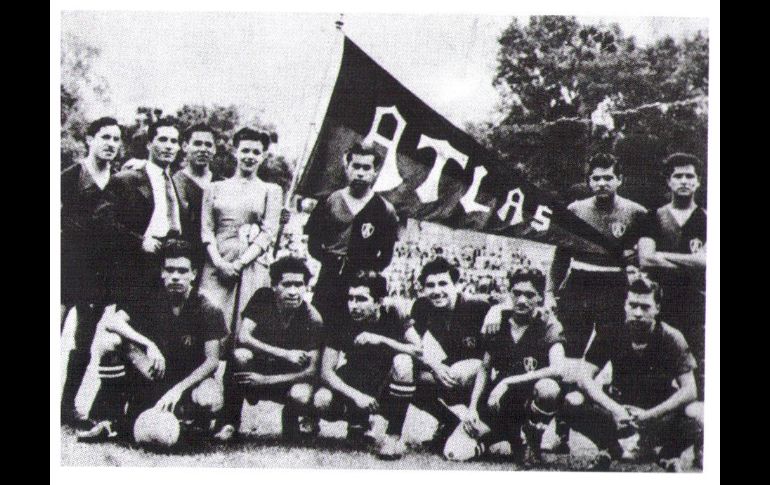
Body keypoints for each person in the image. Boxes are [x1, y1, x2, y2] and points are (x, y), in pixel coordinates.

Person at [78, 240, 227, 443]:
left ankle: (194, 426)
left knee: (211, 398)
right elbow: (111, 322)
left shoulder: (208, 308)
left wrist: (178, 390)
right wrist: (149, 344)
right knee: (110, 343)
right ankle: (109, 418)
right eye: (170, 269)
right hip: (155, 374)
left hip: (188, 381)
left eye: (182, 271)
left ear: (193, 274)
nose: (175, 276)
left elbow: (212, 362)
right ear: (162, 272)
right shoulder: (149, 297)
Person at [565, 276, 703, 471]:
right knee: (573, 401)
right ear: (625, 305)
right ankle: (610, 449)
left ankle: (666, 454)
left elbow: (690, 390)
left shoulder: (672, 337)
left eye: (645, 307)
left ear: (657, 308)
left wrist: (651, 415)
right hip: (619, 409)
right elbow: (584, 377)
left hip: (658, 413)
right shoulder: (610, 331)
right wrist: (614, 409)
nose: (638, 313)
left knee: (698, 413)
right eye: (633, 305)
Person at [312, 271, 422, 459]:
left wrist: (380, 340)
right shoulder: (341, 319)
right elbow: (326, 372)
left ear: (379, 301)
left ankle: (392, 437)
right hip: (358, 380)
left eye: (361, 299)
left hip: (387, 382)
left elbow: (418, 350)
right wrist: (357, 397)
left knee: (403, 362)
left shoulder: (394, 313)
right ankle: (358, 421)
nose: (353, 305)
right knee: (321, 400)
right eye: (351, 298)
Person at [464, 268, 567, 464]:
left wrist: (509, 381)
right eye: (517, 293)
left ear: (539, 298)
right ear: (509, 293)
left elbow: (558, 369)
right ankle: (507, 436)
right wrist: (472, 407)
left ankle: (531, 441)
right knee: (456, 452)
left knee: (548, 389)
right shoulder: (497, 322)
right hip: (501, 401)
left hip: (528, 400)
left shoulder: (548, 325)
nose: (521, 300)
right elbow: (485, 368)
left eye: (529, 295)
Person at [215, 256, 323, 442]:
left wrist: (265, 380)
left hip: (285, 379)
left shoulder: (313, 319)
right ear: (274, 285)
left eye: (299, 285)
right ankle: (229, 421)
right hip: (258, 368)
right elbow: (243, 336)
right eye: (287, 284)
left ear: (306, 287)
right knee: (240, 355)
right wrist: (284, 354)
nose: (293, 291)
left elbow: (312, 371)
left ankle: (291, 419)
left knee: (302, 394)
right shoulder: (262, 298)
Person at [60, 116, 122, 426]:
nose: (111, 144)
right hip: (64, 268)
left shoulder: (119, 183)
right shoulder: (67, 178)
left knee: (83, 341)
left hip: (98, 274)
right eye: (105, 137)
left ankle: (67, 406)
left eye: (116, 139)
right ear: (89, 140)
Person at [94, 118, 189, 312]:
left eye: (173, 142)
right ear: (149, 143)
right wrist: (139, 241)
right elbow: (101, 221)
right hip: (131, 265)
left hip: (166, 266)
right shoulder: (126, 179)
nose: (169, 146)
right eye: (163, 140)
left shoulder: (177, 183)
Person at [561, 153, 648, 359]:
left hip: (614, 283)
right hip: (579, 280)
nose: (602, 183)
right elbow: (561, 256)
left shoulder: (636, 212)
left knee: (613, 343)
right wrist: (549, 292)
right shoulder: (575, 210)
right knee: (572, 344)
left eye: (608, 178)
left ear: (619, 179)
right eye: (596, 178)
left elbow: (645, 255)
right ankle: (568, 389)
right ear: (589, 182)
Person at [304, 142, 399, 330]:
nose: (360, 172)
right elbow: (313, 243)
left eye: (366, 167)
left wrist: (368, 271)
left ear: (374, 172)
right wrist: (330, 261)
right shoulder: (329, 201)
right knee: (318, 328)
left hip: (360, 284)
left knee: (352, 334)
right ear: (347, 168)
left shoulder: (385, 209)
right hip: (329, 279)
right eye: (356, 166)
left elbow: (386, 255)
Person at [198, 128, 283, 333]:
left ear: (262, 157)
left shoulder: (271, 190)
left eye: (256, 152)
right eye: (245, 150)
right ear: (236, 152)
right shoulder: (214, 187)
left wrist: (239, 264)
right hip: (217, 263)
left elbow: (268, 233)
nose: (250, 157)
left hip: (250, 265)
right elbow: (206, 229)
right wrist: (219, 262)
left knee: (243, 327)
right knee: (211, 318)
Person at [638, 153, 707, 399]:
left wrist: (663, 256)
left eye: (690, 176)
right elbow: (645, 258)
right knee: (656, 371)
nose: (684, 181)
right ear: (668, 181)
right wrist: (691, 263)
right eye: (678, 176)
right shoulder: (653, 217)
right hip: (659, 303)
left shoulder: (707, 219)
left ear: (698, 181)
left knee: (697, 371)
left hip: (694, 305)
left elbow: (706, 262)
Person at [408, 257, 490, 452]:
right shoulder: (422, 307)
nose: (436, 291)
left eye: (443, 283)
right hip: (447, 372)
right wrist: (434, 367)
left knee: (457, 372)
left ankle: (479, 423)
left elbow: (507, 305)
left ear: (457, 285)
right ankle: (449, 422)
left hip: (482, 378)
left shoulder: (477, 307)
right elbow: (413, 345)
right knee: (409, 375)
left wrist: (497, 310)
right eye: (430, 285)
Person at [172, 124, 223, 271]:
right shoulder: (173, 182)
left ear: (214, 149)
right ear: (185, 146)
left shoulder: (222, 184)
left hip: (216, 260)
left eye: (208, 145)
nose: (203, 149)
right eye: (197, 143)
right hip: (184, 260)